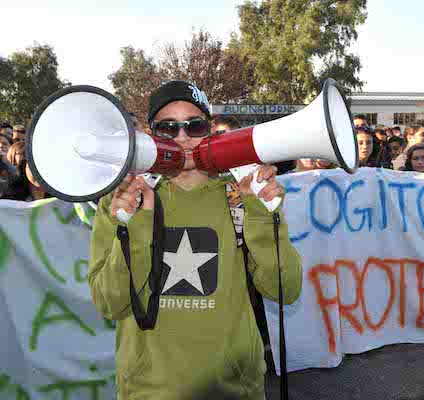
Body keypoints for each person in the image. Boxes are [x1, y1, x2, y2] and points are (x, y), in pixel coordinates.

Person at [88, 80, 303, 400]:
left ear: (210, 131)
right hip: (149, 390)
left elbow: (285, 289)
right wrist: (136, 225)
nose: (182, 137)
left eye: (195, 125)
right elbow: (110, 303)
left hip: (234, 388)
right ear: (151, 135)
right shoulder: (119, 200)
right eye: (167, 128)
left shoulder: (240, 195)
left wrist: (261, 212)